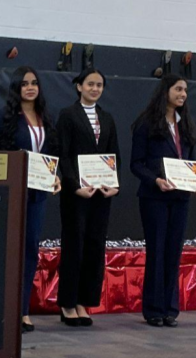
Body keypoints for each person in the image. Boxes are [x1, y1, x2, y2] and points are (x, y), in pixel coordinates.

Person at [48, 68, 121, 327]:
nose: (95, 89)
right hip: (76, 194)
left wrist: (114, 184)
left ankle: (84, 302)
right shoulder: (68, 115)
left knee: (94, 246)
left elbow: (114, 155)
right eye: (90, 84)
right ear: (79, 86)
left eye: (99, 85)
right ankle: (68, 304)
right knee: (74, 245)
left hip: (102, 193)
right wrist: (72, 184)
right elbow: (63, 154)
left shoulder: (108, 118)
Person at [130, 74, 196, 327]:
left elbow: (190, 163)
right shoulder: (146, 123)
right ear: (166, 91)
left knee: (173, 253)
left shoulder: (185, 125)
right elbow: (136, 164)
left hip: (180, 197)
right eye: (178, 89)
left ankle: (170, 309)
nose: (183, 94)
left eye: (185, 90)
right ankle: (153, 309)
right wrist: (156, 181)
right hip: (154, 198)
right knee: (157, 252)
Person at [0, 66, 52, 333]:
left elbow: (52, 154)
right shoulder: (4, 117)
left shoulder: (46, 117)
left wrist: (54, 176)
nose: (31, 87)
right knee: (8, 251)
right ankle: (4, 309)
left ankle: (23, 310)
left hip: (38, 195)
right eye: (24, 84)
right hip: (11, 195)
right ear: (16, 88)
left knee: (30, 250)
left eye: (34, 83)